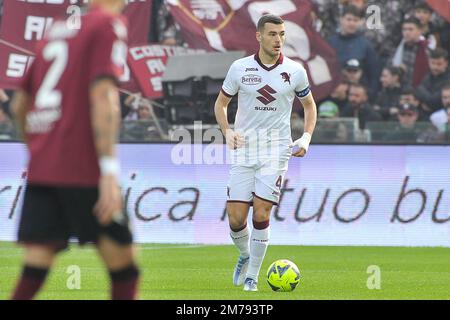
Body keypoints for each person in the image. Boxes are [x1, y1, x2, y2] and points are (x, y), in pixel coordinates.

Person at [9, 0, 140, 300]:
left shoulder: (56, 31)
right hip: (84, 168)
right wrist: (108, 172)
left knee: (36, 264)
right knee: (124, 266)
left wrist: (39, 149)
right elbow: (104, 95)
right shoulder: (108, 25)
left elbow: (19, 104)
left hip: (44, 170)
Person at [214, 14, 317, 292]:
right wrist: (227, 131)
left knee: (261, 212)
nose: (278, 40)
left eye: (282, 34)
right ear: (259, 36)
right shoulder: (240, 68)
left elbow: (309, 106)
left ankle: (253, 277)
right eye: (272, 34)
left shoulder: (295, 71)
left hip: (276, 151)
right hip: (245, 151)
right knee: (236, 219)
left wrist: (305, 138)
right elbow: (221, 104)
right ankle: (246, 256)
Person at [327, 5, 381, 94]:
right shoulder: (330, 43)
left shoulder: (366, 45)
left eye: (355, 20)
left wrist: (370, 94)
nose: (352, 23)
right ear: (341, 20)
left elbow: (374, 74)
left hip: (358, 93)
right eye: (349, 19)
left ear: (360, 22)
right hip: (334, 92)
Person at [391, 17, 429, 87]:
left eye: (410, 29)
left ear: (419, 31)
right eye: (404, 29)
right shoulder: (397, 48)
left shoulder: (427, 49)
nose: (407, 32)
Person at [416, 48, 450, 116]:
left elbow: (434, 101)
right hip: (425, 117)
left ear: (446, 63)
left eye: (439, 64)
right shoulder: (427, 77)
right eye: (432, 63)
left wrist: (425, 100)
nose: (435, 67)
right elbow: (417, 91)